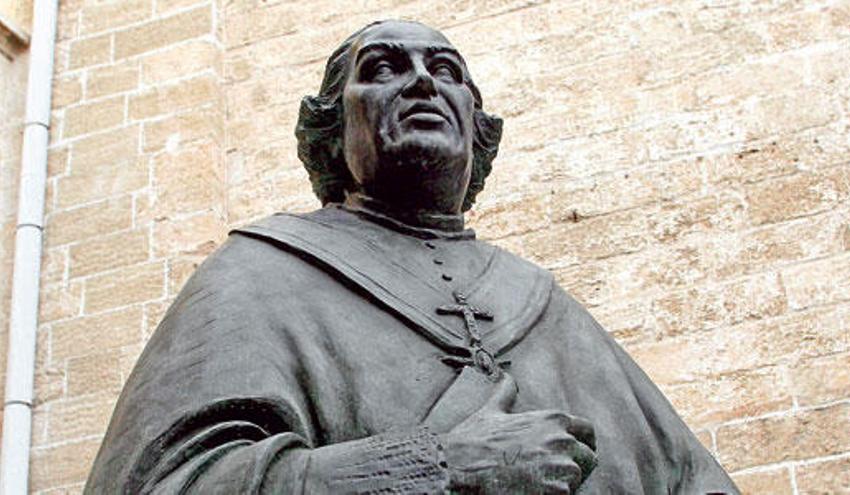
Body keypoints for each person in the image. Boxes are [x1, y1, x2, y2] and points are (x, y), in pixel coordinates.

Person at [86, 20, 740, 494]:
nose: (423, 80)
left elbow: (694, 479)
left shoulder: (548, 307)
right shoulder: (254, 278)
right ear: (332, 131)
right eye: (382, 68)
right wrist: (442, 466)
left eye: (447, 71)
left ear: (477, 129)